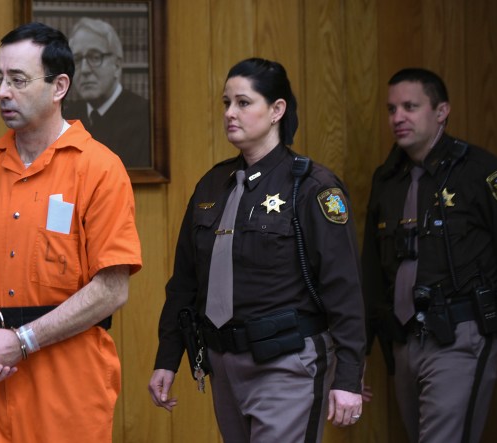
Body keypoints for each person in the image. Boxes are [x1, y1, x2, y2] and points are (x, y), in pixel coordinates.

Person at [0, 22, 142, 443]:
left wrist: (23, 341)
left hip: (68, 381)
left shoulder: (99, 168)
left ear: (59, 86)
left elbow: (112, 289)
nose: (2, 92)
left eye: (17, 80)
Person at [148, 58, 365, 442]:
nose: (230, 113)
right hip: (224, 362)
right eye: (226, 103)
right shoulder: (213, 185)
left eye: (244, 103)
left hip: (286, 363)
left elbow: (344, 288)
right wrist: (168, 357)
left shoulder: (313, 187)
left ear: (277, 110)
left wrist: (348, 377)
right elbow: (184, 282)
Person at [362, 68, 497, 443]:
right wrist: (358, 352)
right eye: (392, 109)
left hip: (461, 334)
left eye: (410, 106)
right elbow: (371, 271)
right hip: (405, 340)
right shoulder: (387, 179)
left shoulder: (483, 173)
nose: (398, 117)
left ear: (441, 112)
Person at [63, 17, 151, 168]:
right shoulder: (66, 118)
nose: (84, 70)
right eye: (77, 59)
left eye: (95, 57)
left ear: (117, 66)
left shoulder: (145, 116)